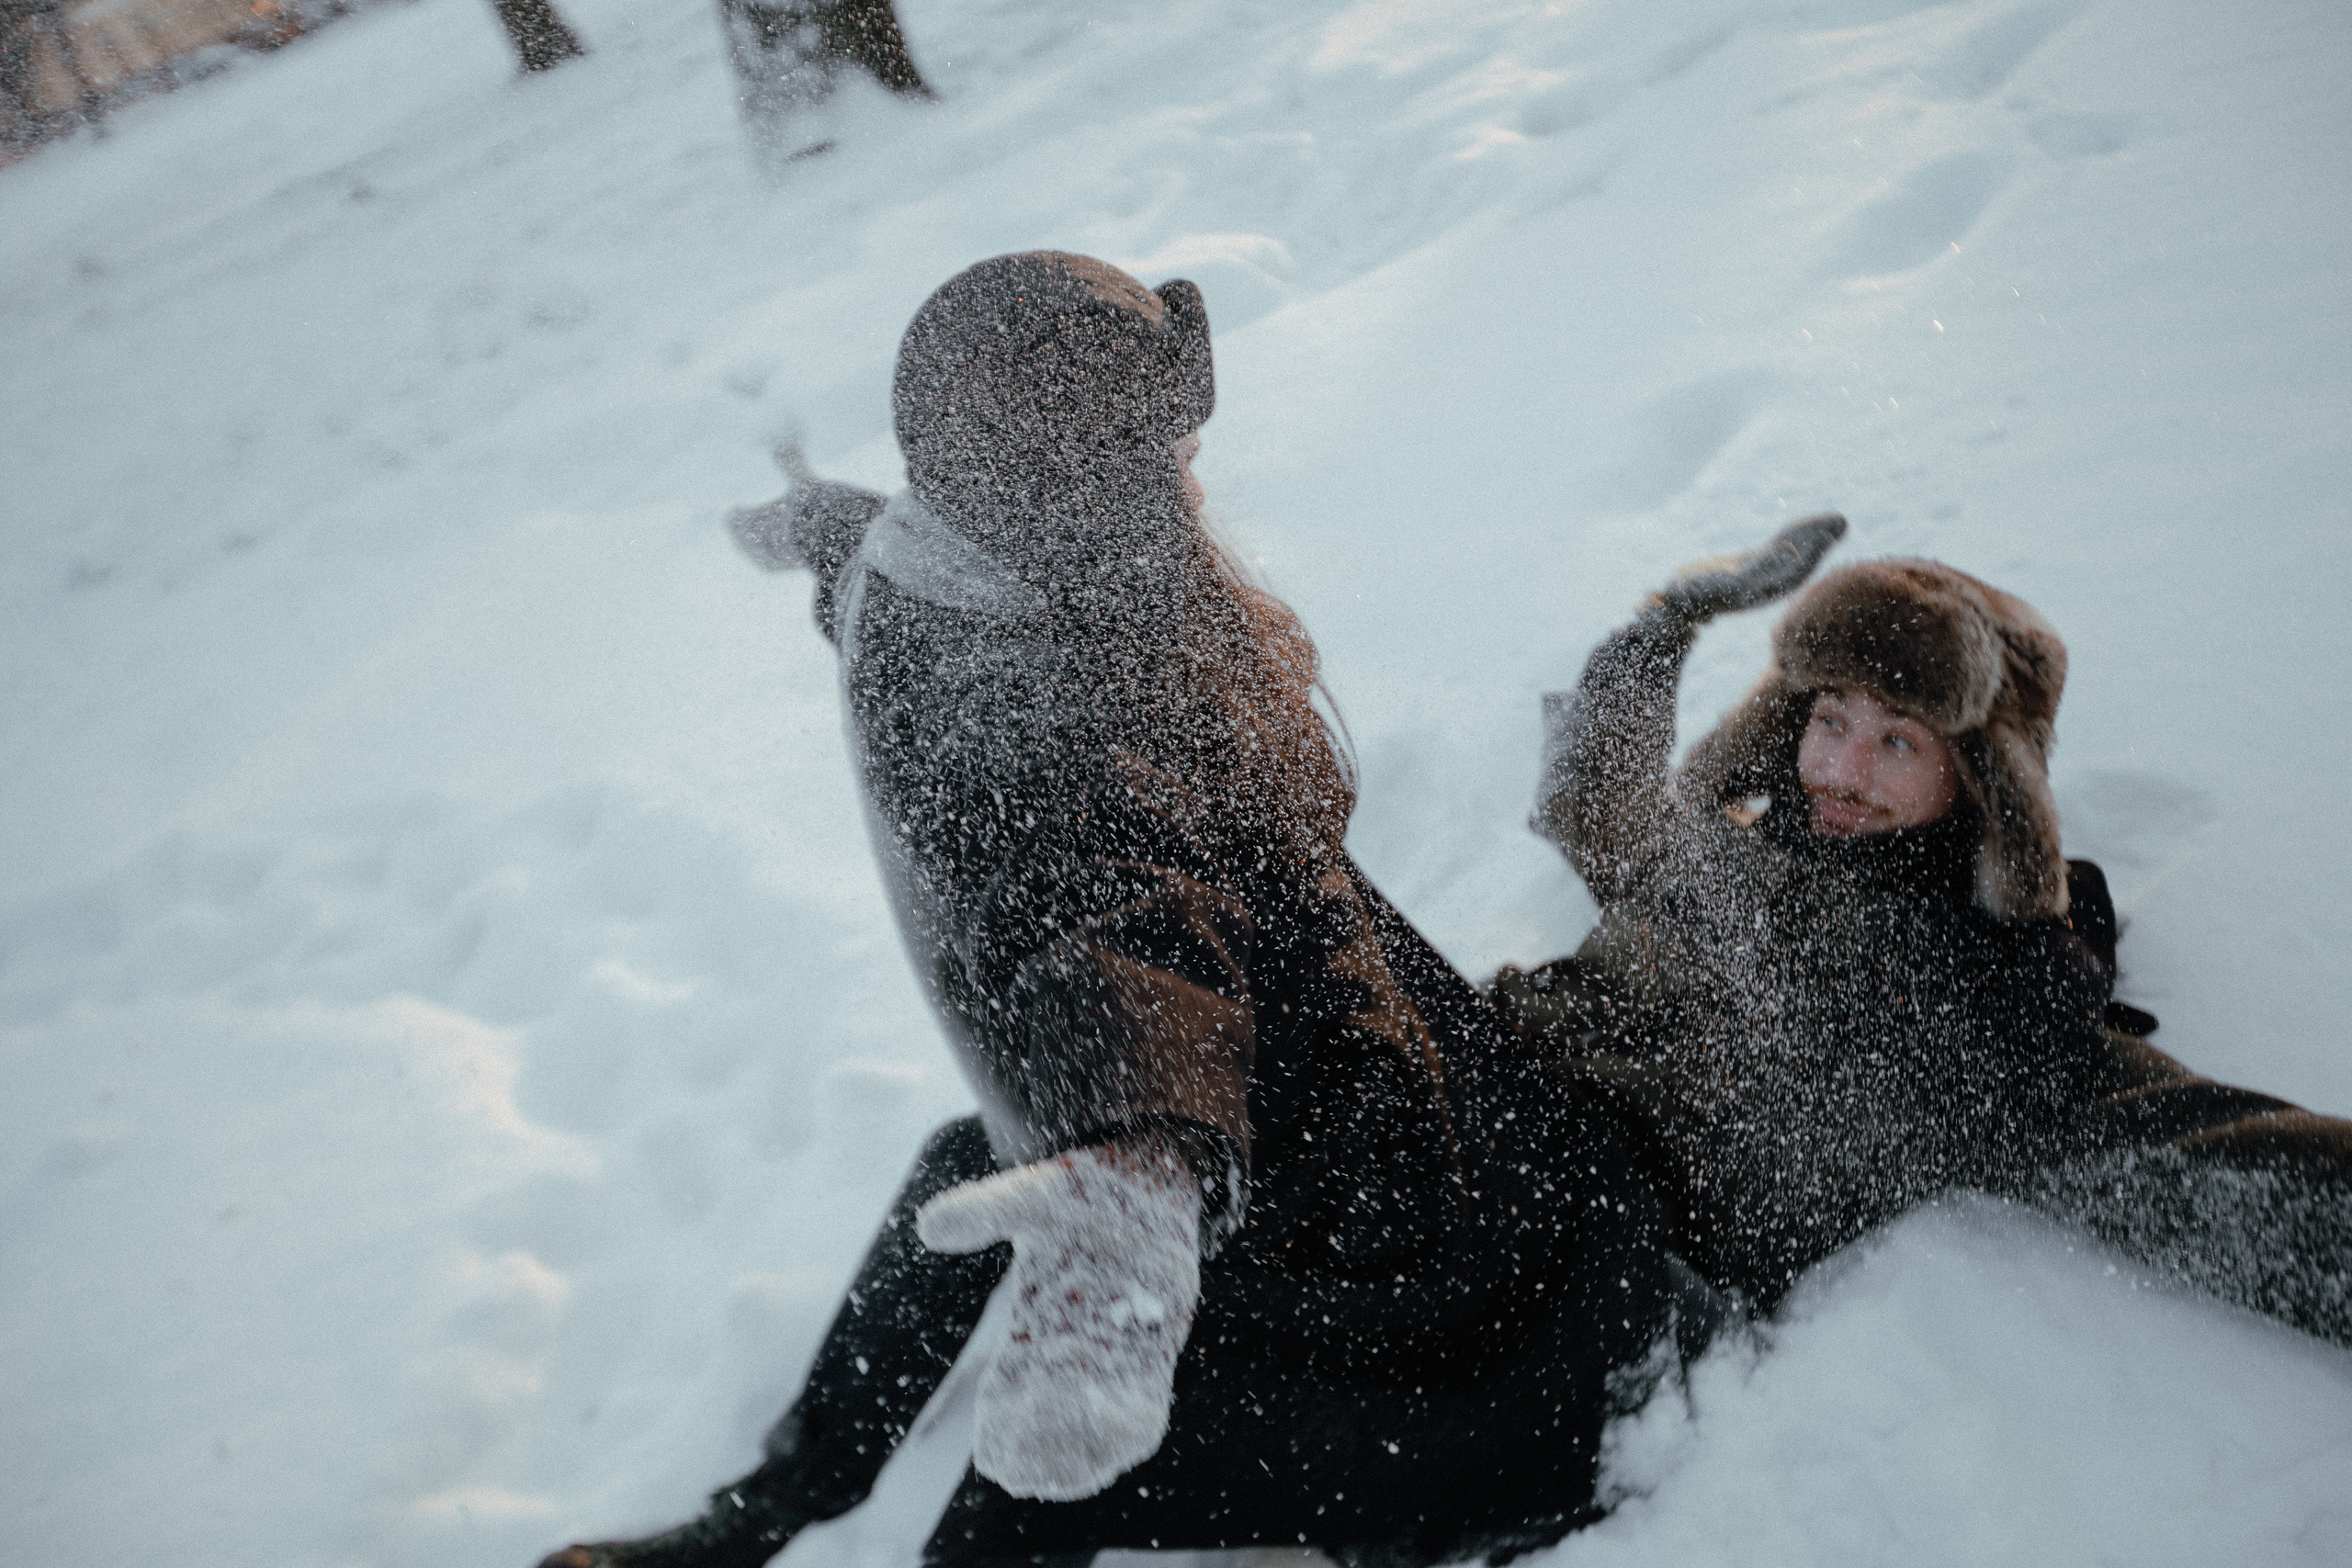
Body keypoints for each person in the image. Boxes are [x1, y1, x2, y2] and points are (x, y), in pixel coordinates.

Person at [537, 253, 1716, 1568]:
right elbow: (1094, 898)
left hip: (1423, 1258)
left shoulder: (1031, 654)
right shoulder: (998, 636)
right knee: (978, 1188)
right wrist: (826, 532)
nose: (1191, 474)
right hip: (1289, 1159)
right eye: (1165, 449)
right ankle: (770, 1506)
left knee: (1037, 1474)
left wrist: (1148, 1163)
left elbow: (1123, 919)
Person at [1494, 524, 2352, 1342]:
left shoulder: (1990, 1007)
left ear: (1980, 776)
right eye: (1830, 719)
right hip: (1487, 1094)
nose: (1841, 773)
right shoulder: (1720, 847)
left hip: (1566, 1261)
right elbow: (1590, 806)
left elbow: (2241, 1177)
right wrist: (1664, 622)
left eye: (1898, 740)